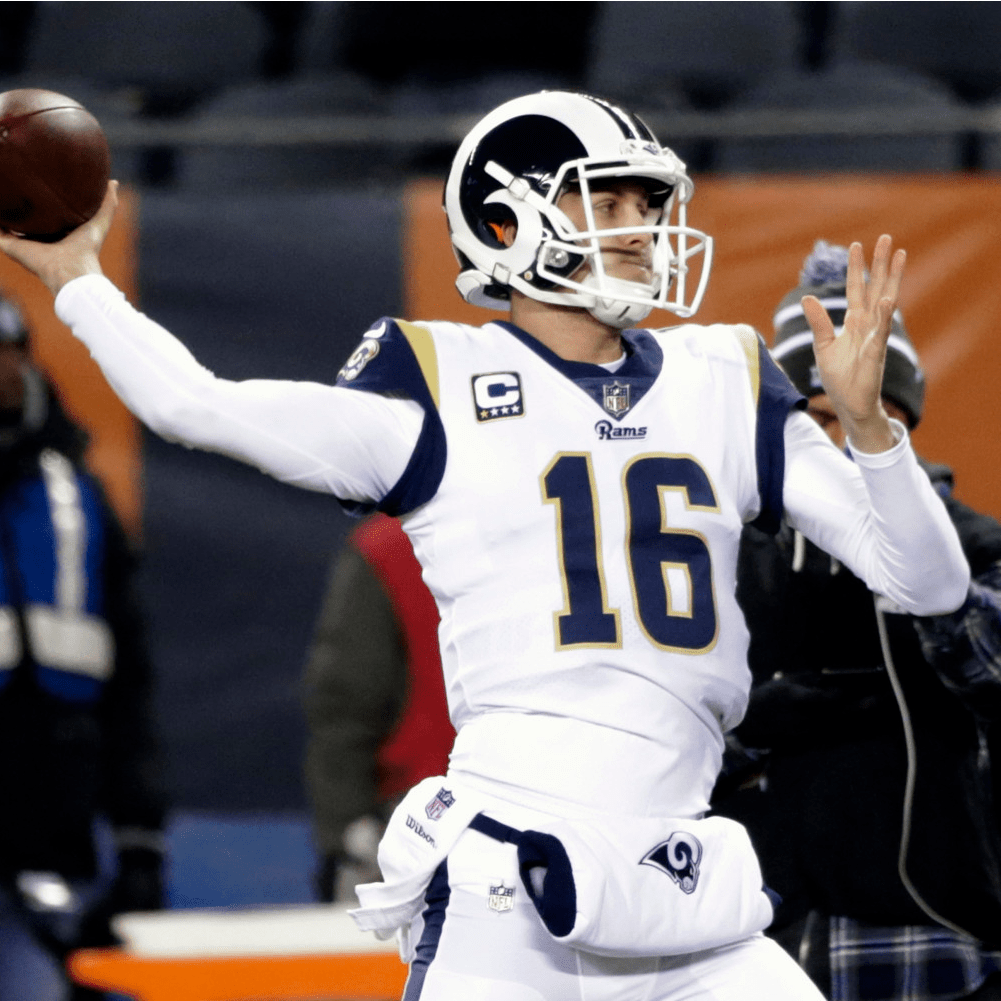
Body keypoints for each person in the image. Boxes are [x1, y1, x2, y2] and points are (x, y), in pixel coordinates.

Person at [0, 91, 971, 1001]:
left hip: (689, 879)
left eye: (645, 197)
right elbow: (193, 405)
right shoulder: (437, 380)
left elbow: (927, 583)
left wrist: (872, 432)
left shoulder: (720, 374)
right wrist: (80, 280)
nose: (639, 222)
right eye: (606, 196)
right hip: (512, 878)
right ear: (505, 225)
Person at [713, 241, 1001, 1001]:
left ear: (900, 414)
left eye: (864, 413)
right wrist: (757, 719)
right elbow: (662, 744)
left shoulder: (977, 546)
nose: (836, 441)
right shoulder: (723, 559)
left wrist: (929, 605)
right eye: (814, 419)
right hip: (747, 951)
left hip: (941, 950)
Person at [0, 295, 167, 1001]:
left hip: (57, 806)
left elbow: (128, 678)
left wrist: (139, 837)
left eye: (7, 350)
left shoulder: (78, 498)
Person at [303, 513, 454, 902]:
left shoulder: (390, 543)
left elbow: (345, 702)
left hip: (424, 816)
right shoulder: (558, 532)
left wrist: (345, 829)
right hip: (534, 811)